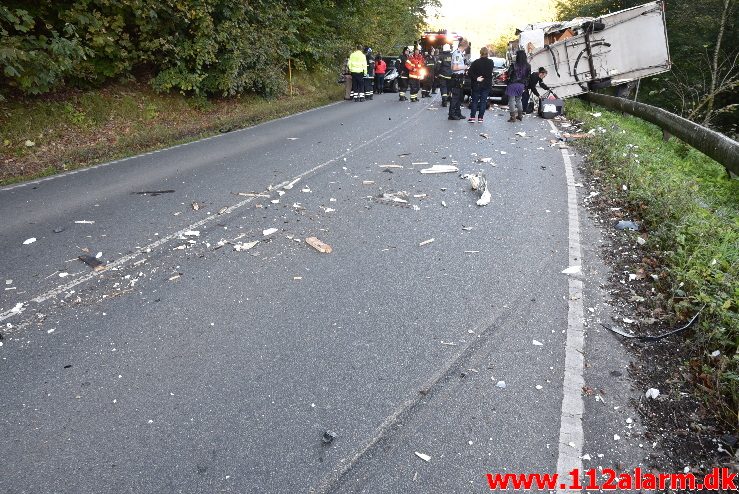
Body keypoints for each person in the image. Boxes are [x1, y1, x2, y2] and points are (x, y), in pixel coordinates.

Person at [467, 46, 495, 122]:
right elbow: (490, 73)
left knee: (475, 101)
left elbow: (469, 72)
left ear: (480, 53)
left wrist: (476, 78)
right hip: (486, 84)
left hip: (477, 84)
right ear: (487, 53)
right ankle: (480, 118)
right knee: (483, 101)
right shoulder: (491, 62)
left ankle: (472, 117)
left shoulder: (475, 62)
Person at [505, 49, 531, 121]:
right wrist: (525, 85)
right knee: (519, 100)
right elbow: (528, 77)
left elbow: (508, 73)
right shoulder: (528, 66)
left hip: (513, 84)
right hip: (521, 85)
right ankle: (520, 115)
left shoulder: (514, 65)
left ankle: (513, 117)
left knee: (511, 100)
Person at [448, 38, 468, 120]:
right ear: (465, 46)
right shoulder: (457, 54)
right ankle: (452, 114)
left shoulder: (460, 54)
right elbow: (454, 67)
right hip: (456, 77)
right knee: (455, 96)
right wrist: (465, 67)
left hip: (460, 77)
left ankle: (458, 113)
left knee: (460, 96)